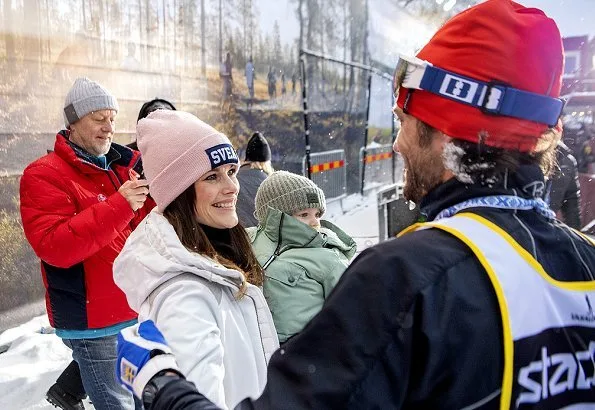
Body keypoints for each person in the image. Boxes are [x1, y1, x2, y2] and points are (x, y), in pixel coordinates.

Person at [117, 1, 595, 409]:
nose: (399, 143)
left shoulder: (405, 280)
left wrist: (162, 386)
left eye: (407, 118)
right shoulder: (582, 260)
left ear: (446, 133)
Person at [113, 110, 279, 410]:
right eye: (212, 177)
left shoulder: (216, 258)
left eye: (231, 171)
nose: (232, 187)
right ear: (179, 192)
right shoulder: (185, 295)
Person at [20, 77, 154, 409]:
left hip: (137, 311)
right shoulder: (43, 174)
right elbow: (55, 247)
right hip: (95, 327)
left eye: (112, 118)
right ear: (73, 121)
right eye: (99, 118)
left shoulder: (121, 167)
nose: (109, 127)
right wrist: (121, 205)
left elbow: (141, 232)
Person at [252, 171, 356, 343]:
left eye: (317, 214)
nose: (315, 222)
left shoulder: (328, 257)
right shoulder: (251, 239)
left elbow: (350, 311)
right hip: (257, 345)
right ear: (274, 216)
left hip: (303, 350)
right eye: (304, 215)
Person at [236, 132, 273, 227]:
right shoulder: (270, 182)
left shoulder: (234, 179)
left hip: (238, 234)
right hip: (262, 236)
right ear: (266, 161)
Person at [546, 141, 581, 228]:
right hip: (518, 227)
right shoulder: (522, 154)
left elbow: (571, 201)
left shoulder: (567, 160)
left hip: (546, 226)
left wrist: (575, 231)